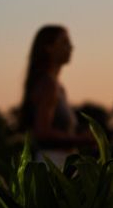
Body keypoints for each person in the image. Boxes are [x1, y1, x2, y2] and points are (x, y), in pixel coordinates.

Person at [18, 25, 94, 167]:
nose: (71, 47)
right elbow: (42, 132)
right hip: (52, 163)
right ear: (48, 48)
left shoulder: (56, 87)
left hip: (59, 162)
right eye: (64, 42)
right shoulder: (48, 85)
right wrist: (81, 139)